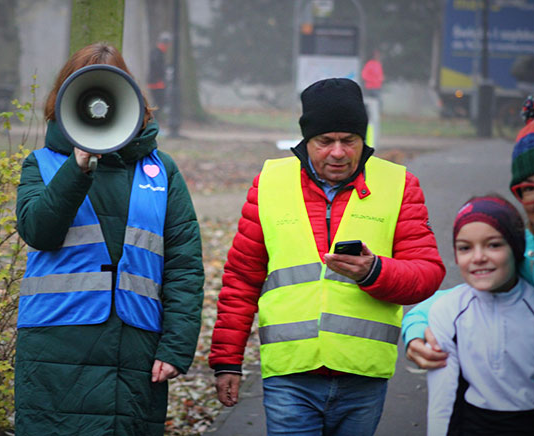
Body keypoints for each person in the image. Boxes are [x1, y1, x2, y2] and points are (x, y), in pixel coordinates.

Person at [209, 77, 445, 435]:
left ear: (363, 139)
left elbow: (427, 273)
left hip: (363, 377)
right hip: (290, 375)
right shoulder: (270, 182)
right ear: (307, 140)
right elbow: (242, 278)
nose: (338, 152)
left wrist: (374, 272)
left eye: (349, 140)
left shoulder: (399, 184)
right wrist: (227, 361)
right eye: (325, 141)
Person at [14, 43, 204, 436]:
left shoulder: (161, 171)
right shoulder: (44, 165)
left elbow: (184, 265)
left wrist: (176, 348)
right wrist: (77, 166)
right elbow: (38, 232)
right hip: (56, 352)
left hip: (135, 351)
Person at [402, 125, 534, 370]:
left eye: (492, 244)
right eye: (528, 188)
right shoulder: (523, 249)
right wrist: (416, 326)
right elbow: (467, 296)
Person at [425, 195, 534, 435]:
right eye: (465, 248)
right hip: (471, 425)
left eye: (494, 245)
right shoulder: (448, 311)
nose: (478, 257)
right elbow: (442, 400)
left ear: (516, 248)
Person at [148, 32, 171, 116]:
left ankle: (153, 117)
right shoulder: (157, 53)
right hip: (157, 82)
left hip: (157, 81)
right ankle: (151, 118)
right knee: (160, 102)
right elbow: (157, 66)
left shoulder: (158, 53)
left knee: (159, 103)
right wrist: (163, 73)